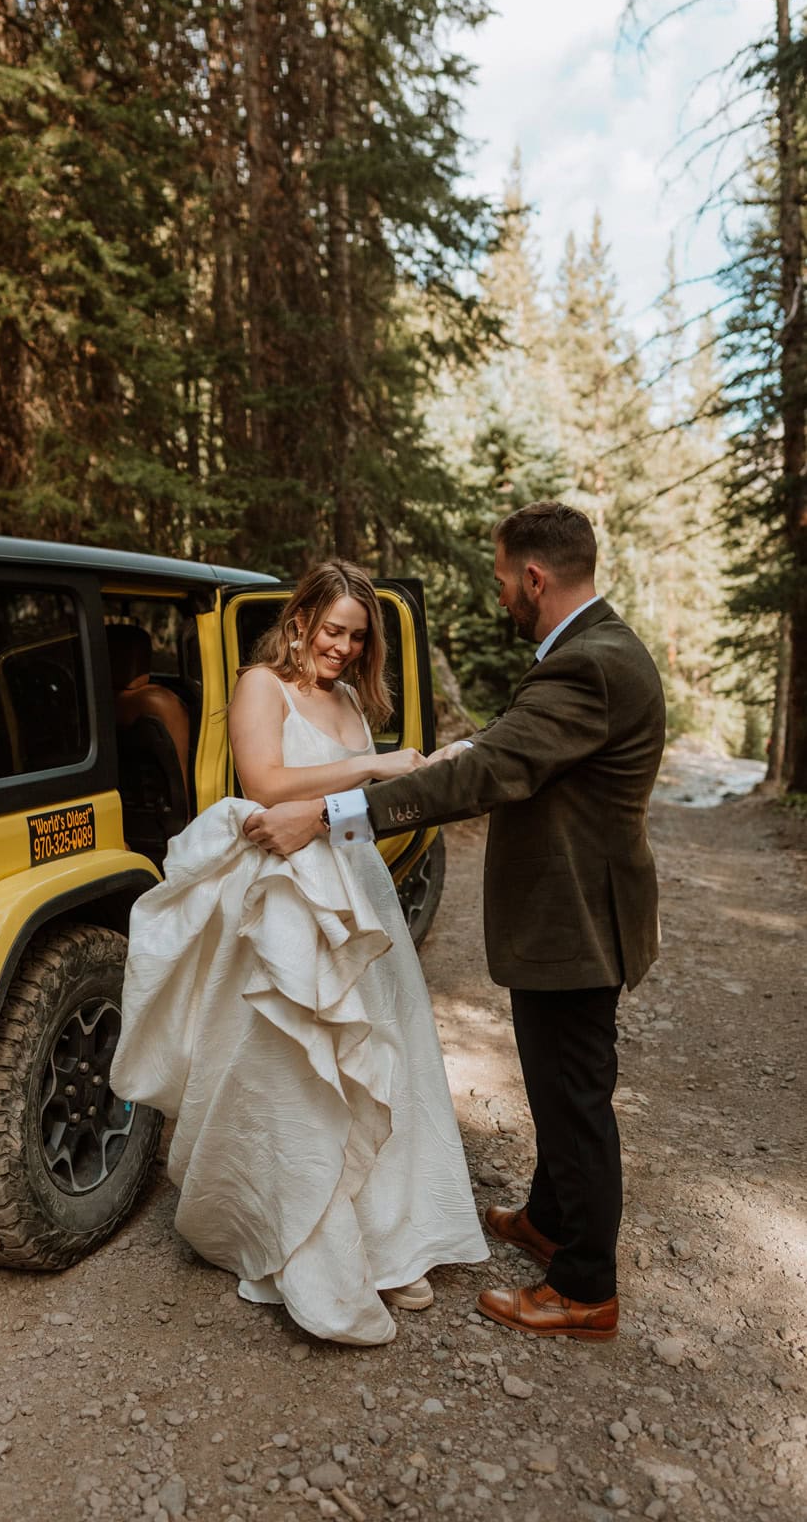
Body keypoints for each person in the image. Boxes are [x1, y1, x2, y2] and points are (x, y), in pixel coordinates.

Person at [246, 503, 666, 1342]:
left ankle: (583, 1287)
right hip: (571, 919)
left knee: (574, 1097)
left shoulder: (587, 665)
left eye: (504, 579)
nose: (500, 592)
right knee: (555, 1084)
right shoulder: (591, 653)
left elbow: (487, 776)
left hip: (574, 924)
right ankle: (551, 1219)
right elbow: (502, 752)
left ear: (534, 578)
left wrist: (328, 814)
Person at [110, 560, 488, 1346]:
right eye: (332, 630)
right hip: (285, 897)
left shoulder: (349, 696)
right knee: (298, 1068)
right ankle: (298, 1240)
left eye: (356, 637)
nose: (343, 649)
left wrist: (402, 783)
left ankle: (390, 1237)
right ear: (299, 622)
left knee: (381, 1053)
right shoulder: (261, 685)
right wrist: (378, 762)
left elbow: (344, 813)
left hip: (353, 887)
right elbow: (267, 781)